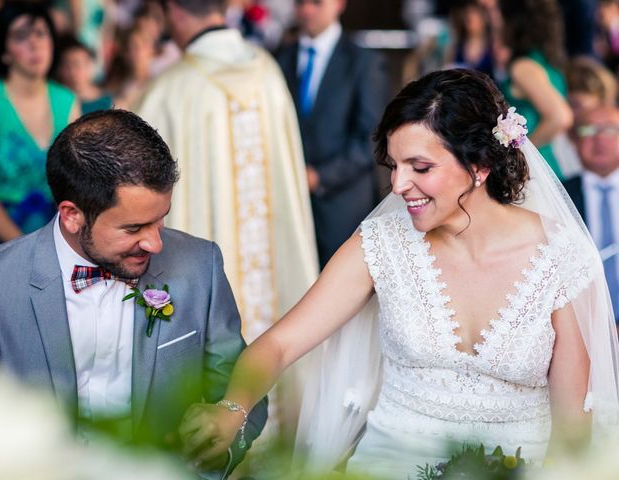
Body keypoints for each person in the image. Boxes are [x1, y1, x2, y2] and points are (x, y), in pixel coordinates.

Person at [177, 69, 619, 478]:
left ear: (480, 165)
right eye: (394, 166)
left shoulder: (561, 256)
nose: (398, 185)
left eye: (420, 168)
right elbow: (279, 344)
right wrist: (232, 408)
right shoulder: (382, 243)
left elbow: (571, 428)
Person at [0, 109, 267, 479]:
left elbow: (242, 395)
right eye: (134, 227)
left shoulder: (200, 266)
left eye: (161, 219)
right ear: (72, 215)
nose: (155, 243)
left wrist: (213, 457)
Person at [136, 0, 318, 347]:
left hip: (205, 260)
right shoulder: (267, 71)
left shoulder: (171, 89)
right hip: (275, 279)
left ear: (174, 10)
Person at [276, 0, 389, 267]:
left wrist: (318, 177)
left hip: (344, 205)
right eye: (300, 3)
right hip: (291, 205)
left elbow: (372, 139)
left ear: (339, 3)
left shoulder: (365, 62)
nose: (306, 10)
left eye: (316, 2)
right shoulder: (280, 59)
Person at [0, 1, 79, 256]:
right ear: (4, 51)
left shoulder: (66, 100)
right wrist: (23, 246)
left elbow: (76, 180)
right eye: (21, 36)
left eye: (41, 33)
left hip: (58, 232)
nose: (34, 44)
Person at [498, 0, 573, 180]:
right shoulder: (544, 61)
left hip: (533, 170)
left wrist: (520, 154)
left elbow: (560, 117)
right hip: (545, 162)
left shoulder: (523, 67)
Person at [566, 105, 619, 326]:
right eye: (587, 131)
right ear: (573, 141)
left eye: (609, 130)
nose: (599, 140)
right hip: (582, 323)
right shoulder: (559, 196)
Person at [54, 35, 113, 114]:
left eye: (77, 65)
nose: (72, 72)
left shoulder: (110, 102)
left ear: (89, 65)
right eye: (67, 66)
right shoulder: (56, 101)